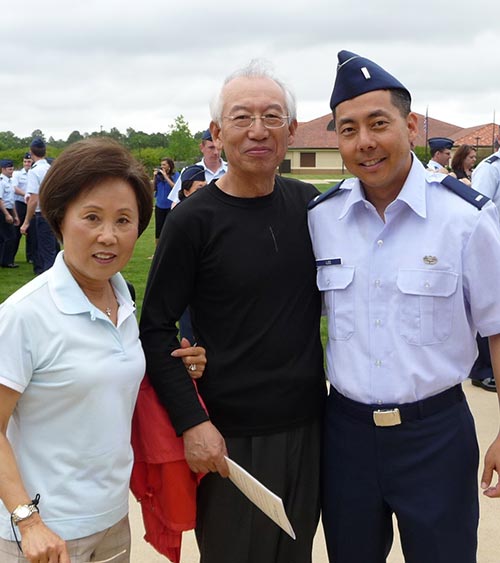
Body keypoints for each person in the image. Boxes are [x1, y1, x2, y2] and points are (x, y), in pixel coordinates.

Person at [307, 50, 500, 563]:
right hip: (345, 436)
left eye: (378, 124)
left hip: (435, 435)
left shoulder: (466, 220)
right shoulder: (322, 219)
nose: (365, 142)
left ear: (410, 125)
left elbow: (499, 327)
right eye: (348, 130)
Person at [140, 60, 326, 563]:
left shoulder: (311, 207)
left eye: (272, 117)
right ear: (218, 134)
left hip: (310, 426)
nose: (258, 130)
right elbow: (155, 326)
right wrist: (191, 422)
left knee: (295, 554)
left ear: (291, 130)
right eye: (242, 118)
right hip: (229, 435)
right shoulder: (192, 222)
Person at [0, 138, 206, 563]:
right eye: (91, 217)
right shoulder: (25, 315)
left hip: (112, 521)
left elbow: (107, 380)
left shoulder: (124, 301)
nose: (108, 236)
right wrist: (28, 520)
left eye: (124, 220)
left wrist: (184, 366)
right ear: (60, 219)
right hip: (45, 536)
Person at [20, 138, 58, 274]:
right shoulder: (50, 169)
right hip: (52, 212)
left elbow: (34, 199)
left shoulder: (34, 171)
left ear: (31, 152)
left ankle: (50, 278)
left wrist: (26, 222)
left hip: (42, 214)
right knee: (51, 248)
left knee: (45, 250)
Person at [167, 129, 227, 204]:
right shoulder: (190, 173)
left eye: (218, 147)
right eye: (211, 147)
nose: (216, 152)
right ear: (202, 147)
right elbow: (176, 203)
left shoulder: (232, 171)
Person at [12, 153, 34, 263]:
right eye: (25, 161)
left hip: (31, 204)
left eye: (29, 162)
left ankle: (30, 257)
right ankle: (10, 257)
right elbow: (14, 188)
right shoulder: (18, 174)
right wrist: (26, 194)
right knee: (16, 232)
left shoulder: (34, 173)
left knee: (31, 232)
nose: (27, 164)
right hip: (20, 204)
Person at [152, 157, 179, 247]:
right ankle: (157, 252)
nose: (162, 166)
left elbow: (175, 187)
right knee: (158, 229)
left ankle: (169, 249)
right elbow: (153, 189)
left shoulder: (175, 175)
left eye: (164, 164)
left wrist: (165, 176)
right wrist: (154, 177)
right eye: (161, 165)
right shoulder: (159, 177)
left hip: (170, 206)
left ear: (169, 166)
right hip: (159, 206)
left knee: (170, 229)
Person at [0, 159, 20, 268]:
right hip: (3, 210)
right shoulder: (1, 181)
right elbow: (0, 199)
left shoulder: (10, 181)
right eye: (9, 169)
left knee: (5, 237)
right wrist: (7, 214)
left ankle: (4, 260)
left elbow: (11, 201)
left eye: (12, 169)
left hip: (9, 209)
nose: (12, 171)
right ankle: (6, 261)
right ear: (3, 169)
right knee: (10, 237)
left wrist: (15, 215)